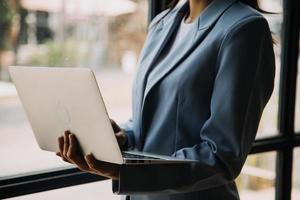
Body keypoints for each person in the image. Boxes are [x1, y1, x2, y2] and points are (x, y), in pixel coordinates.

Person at [56, 0, 275, 199]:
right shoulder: (163, 22)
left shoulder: (244, 29)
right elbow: (153, 120)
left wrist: (125, 172)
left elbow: (222, 156)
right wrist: (124, 137)